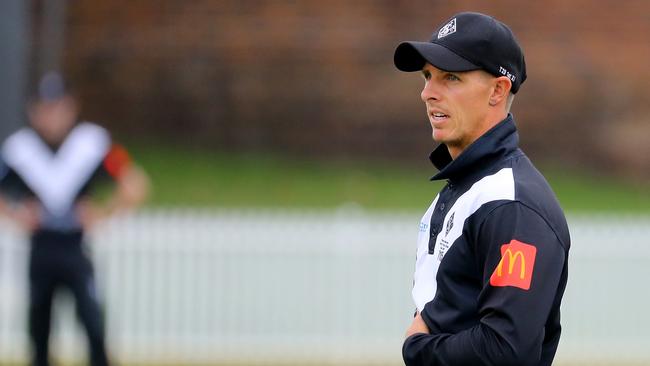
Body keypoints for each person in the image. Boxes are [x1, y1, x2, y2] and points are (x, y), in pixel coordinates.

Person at [393, 12, 570, 366]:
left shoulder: (511, 205)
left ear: (497, 90)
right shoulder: (466, 189)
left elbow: (507, 352)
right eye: (428, 76)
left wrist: (418, 349)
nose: (428, 92)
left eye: (451, 78)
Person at [0, 72, 150, 366]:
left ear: (72, 106)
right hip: (41, 247)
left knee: (93, 324)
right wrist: (16, 216)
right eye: (45, 107)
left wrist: (104, 214)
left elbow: (136, 184)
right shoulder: (20, 149)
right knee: (39, 330)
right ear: (33, 110)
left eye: (58, 107)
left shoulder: (91, 144)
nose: (52, 116)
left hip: (75, 248)